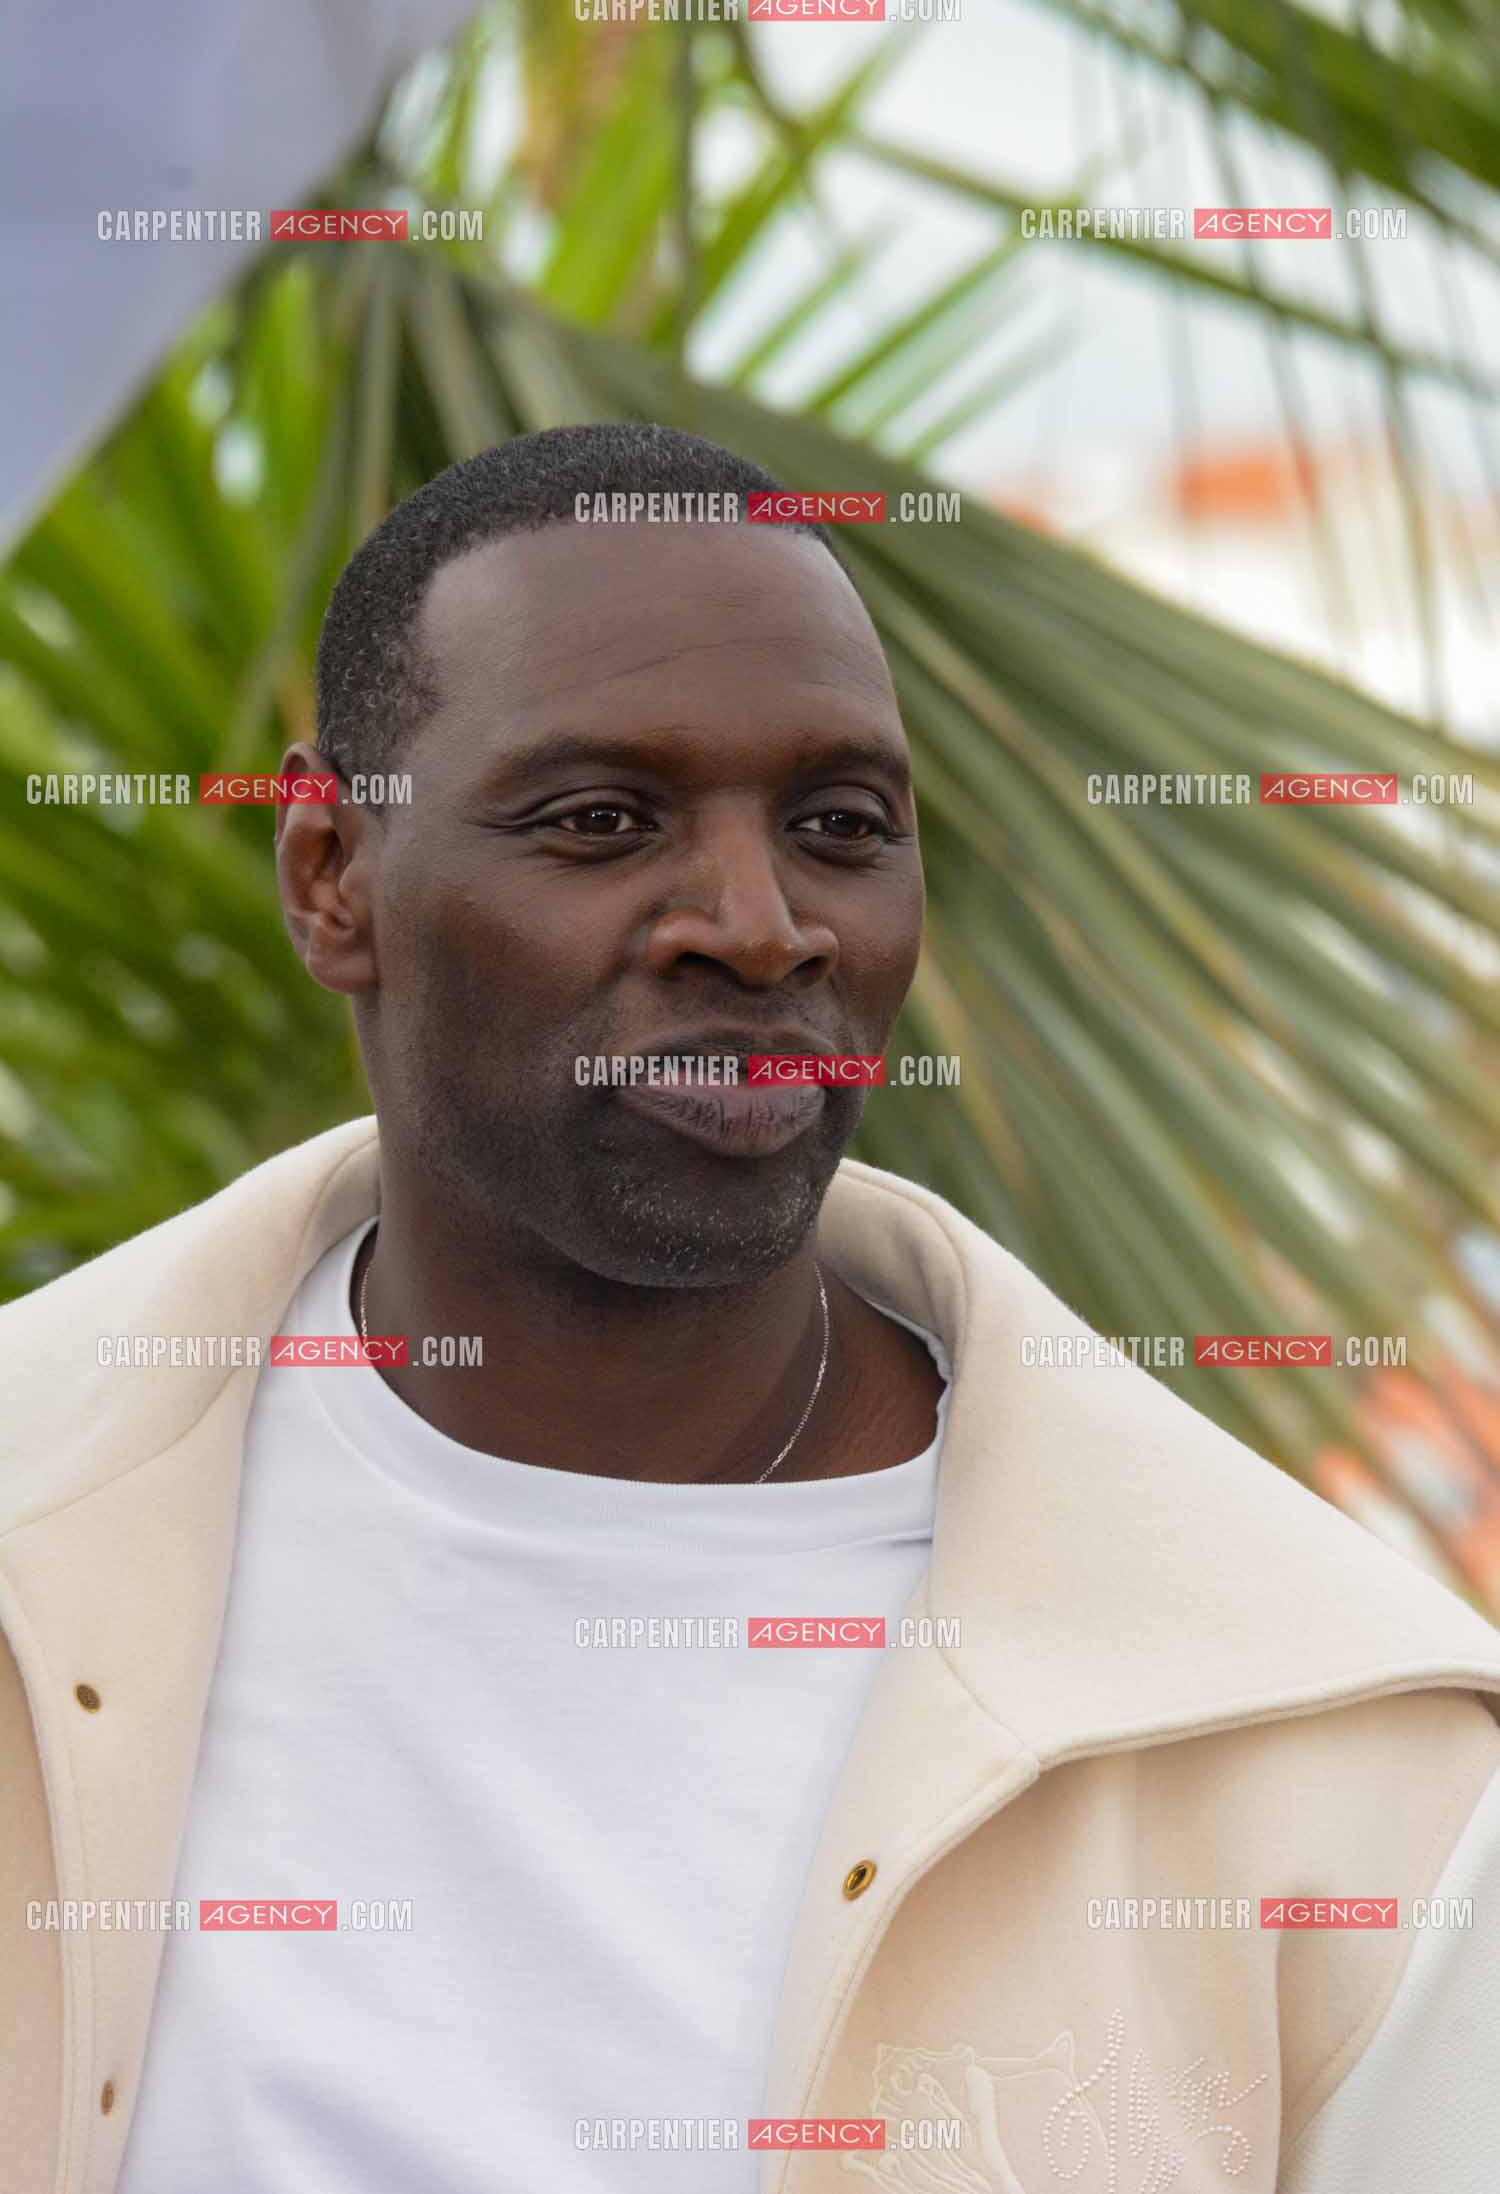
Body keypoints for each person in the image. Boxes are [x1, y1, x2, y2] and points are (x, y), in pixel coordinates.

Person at [3, 421, 1500, 2194]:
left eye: (840, 825)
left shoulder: (1318, 1730)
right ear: (333, 875)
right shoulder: (41, 1531)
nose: (760, 922)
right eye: (599, 819)